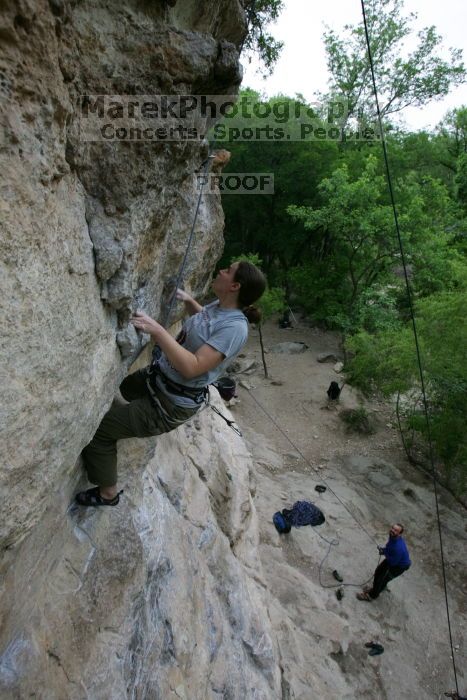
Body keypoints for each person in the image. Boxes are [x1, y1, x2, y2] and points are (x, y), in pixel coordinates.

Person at [75, 261, 266, 507]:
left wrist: (158, 332)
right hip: (159, 380)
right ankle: (129, 419)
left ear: (235, 286)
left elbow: (193, 367)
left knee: (99, 431)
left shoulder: (235, 328)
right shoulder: (220, 307)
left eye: (227, 271)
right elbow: (205, 322)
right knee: (122, 388)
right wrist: (188, 301)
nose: (220, 270)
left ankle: (107, 494)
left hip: (169, 404)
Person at [357, 523, 411, 601]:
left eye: (396, 530)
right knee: (378, 572)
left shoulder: (398, 548)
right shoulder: (393, 537)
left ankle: (372, 596)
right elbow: (389, 548)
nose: (392, 530)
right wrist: (384, 550)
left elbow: (393, 563)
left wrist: (384, 552)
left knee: (381, 579)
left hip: (398, 567)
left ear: (399, 534)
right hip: (393, 559)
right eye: (393, 528)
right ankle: (376, 589)